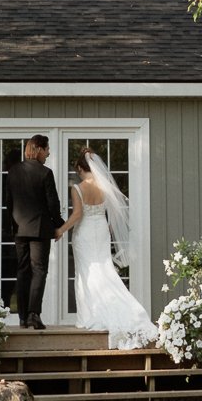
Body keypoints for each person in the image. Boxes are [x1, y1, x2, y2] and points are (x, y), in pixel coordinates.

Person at [60, 147, 157, 349]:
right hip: (101, 230)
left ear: (79, 167)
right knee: (104, 270)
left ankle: (90, 316)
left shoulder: (77, 188)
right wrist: (108, 231)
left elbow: (77, 215)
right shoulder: (104, 187)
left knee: (87, 271)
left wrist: (61, 230)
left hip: (85, 231)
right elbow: (112, 217)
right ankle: (127, 311)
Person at [5, 134, 63, 331]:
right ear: (38, 149)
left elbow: (9, 203)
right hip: (39, 229)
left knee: (23, 271)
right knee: (38, 270)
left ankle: (22, 317)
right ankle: (33, 314)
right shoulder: (45, 173)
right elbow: (53, 203)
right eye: (47, 149)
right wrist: (59, 224)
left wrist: (11, 227)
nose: (48, 153)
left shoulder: (13, 171)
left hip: (19, 229)